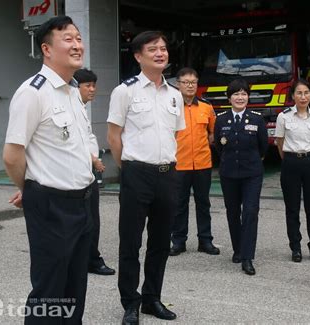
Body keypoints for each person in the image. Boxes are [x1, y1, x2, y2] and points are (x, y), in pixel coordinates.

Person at [3, 16, 94, 324]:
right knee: (50, 291)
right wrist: (29, 188)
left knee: (75, 287)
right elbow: (12, 154)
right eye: (68, 39)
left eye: (79, 38)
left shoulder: (73, 92)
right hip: (51, 205)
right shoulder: (33, 92)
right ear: (46, 48)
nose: (77, 45)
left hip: (82, 202)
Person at [106, 31, 184, 324]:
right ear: (138, 56)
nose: (161, 53)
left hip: (167, 174)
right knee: (130, 242)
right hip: (136, 173)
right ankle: (130, 303)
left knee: (161, 242)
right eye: (153, 49)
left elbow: (173, 134)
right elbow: (114, 136)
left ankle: (152, 298)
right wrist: (130, 168)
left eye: (163, 48)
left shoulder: (175, 94)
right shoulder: (124, 91)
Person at [214, 79, 268, 276]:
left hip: (252, 173)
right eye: (236, 94)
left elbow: (263, 147)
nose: (240, 97)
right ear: (229, 98)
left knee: (250, 212)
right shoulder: (221, 119)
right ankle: (238, 249)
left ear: (248, 97)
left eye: (244, 93)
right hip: (229, 173)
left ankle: (247, 257)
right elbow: (220, 147)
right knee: (232, 211)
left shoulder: (256, 119)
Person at [169, 67, 220, 257]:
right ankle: (178, 241)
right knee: (179, 204)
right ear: (178, 84)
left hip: (202, 163)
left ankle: (205, 241)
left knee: (203, 203)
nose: (190, 86)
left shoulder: (206, 107)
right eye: (186, 82)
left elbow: (213, 133)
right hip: (179, 163)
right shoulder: (171, 105)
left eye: (193, 82)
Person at [274, 79, 310, 263]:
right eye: (299, 93)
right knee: (292, 209)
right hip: (291, 163)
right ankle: (296, 247)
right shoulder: (284, 116)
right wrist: (289, 158)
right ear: (293, 96)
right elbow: (280, 142)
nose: (303, 97)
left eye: (306, 93)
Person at [74, 68, 116, 276]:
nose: (92, 90)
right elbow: (74, 143)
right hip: (76, 175)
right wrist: (94, 161)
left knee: (92, 221)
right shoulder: (71, 109)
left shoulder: (82, 108)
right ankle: (88, 260)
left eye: (94, 85)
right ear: (76, 87)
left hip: (87, 174)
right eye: (87, 86)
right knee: (85, 221)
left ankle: (90, 259)